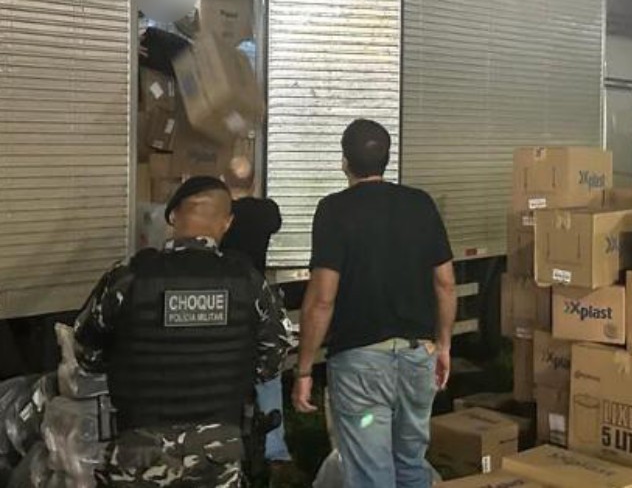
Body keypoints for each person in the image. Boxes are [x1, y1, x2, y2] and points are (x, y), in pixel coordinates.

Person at [75, 176, 295, 488]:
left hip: (141, 446)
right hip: (218, 449)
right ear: (227, 222)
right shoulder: (248, 282)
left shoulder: (128, 278)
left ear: (173, 217)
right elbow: (274, 353)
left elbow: (86, 350)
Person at [293, 119, 456, 488]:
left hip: (361, 367)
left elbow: (322, 299)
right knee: (412, 463)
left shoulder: (334, 210)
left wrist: (303, 370)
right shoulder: (420, 203)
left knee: (371, 473)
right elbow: (445, 284)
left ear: (343, 162)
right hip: (418, 359)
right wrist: (443, 346)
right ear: (387, 158)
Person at [221, 156, 298, 480]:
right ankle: (275, 450)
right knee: (269, 373)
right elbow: (275, 221)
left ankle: (226, 443)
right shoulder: (266, 212)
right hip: (258, 302)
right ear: (253, 181)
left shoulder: (222, 216)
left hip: (226, 301)